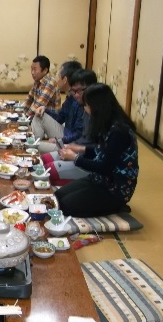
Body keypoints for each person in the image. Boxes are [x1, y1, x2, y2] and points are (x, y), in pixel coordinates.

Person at [54, 83, 139, 217]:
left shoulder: (119, 131)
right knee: (57, 197)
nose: (85, 108)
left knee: (65, 206)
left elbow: (105, 167)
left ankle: (117, 206)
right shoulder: (107, 123)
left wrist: (75, 158)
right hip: (99, 179)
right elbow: (102, 152)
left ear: (97, 107)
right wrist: (80, 149)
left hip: (114, 188)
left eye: (87, 105)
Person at [40, 69, 98, 184]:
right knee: (41, 161)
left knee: (44, 171)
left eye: (79, 91)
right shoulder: (84, 106)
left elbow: (98, 152)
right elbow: (60, 117)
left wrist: (74, 151)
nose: (75, 95)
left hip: (88, 165)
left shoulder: (98, 114)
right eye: (73, 91)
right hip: (77, 151)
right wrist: (71, 147)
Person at [31, 60, 83, 154]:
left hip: (72, 143)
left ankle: (33, 148)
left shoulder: (80, 100)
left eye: (58, 76)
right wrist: (44, 109)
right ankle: (34, 141)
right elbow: (60, 118)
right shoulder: (70, 97)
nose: (56, 79)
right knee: (39, 114)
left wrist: (60, 140)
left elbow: (78, 135)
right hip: (66, 134)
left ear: (65, 80)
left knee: (34, 146)